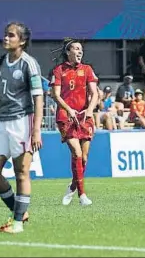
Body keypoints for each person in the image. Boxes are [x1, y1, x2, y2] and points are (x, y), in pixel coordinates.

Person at [0, 22, 43, 234]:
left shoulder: (29, 64)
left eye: (11, 35)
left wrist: (36, 130)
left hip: (22, 122)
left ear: (22, 41)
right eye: (5, 34)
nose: (6, 38)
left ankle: (17, 223)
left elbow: (38, 98)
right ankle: (19, 211)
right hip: (1, 122)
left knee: (21, 172)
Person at [50, 38, 98, 206]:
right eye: (76, 49)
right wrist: (69, 109)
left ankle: (72, 186)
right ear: (68, 52)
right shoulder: (59, 70)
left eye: (81, 49)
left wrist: (90, 109)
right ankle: (82, 195)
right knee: (76, 154)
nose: (79, 51)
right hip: (66, 116)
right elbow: (56, 95)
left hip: (85, 117)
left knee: (83, 159)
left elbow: (95, 93)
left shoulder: (87, 69)